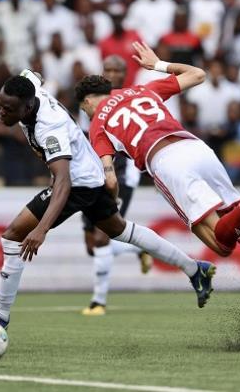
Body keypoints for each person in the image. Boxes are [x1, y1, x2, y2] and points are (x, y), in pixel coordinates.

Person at [75, 42, 240, 330]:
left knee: (221, 245)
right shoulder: (142, 90)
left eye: (84, 109)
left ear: (87, 101)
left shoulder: (97, 125)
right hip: (198, 149)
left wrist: (111, 205)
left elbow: (110, 178)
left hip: (168, 163)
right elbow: (198, 74)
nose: (87, 113)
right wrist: (159, 65)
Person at [0, 70, 215, 329]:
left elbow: (63, 182)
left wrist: (41, 229)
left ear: (27, 107)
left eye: (7, 109)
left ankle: (1, 314)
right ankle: (195, 269)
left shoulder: (50, 129)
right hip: (92, 173)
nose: (1, 112)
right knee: (121, 230)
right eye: (1, 106)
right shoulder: (29, 89)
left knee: (13, 235)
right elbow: (32, 75)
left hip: (77, 184)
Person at [79, 56, 151, 316]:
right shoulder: (89, 100)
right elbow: (83, 137)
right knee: (92, 246)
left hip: (122, 174)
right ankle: (140, 247)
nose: (111, 74)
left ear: (125, 73)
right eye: (107, 69)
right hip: (93, 174)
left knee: (102, 237)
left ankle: (98, 302)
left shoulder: (132, 98)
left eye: (116, 70)